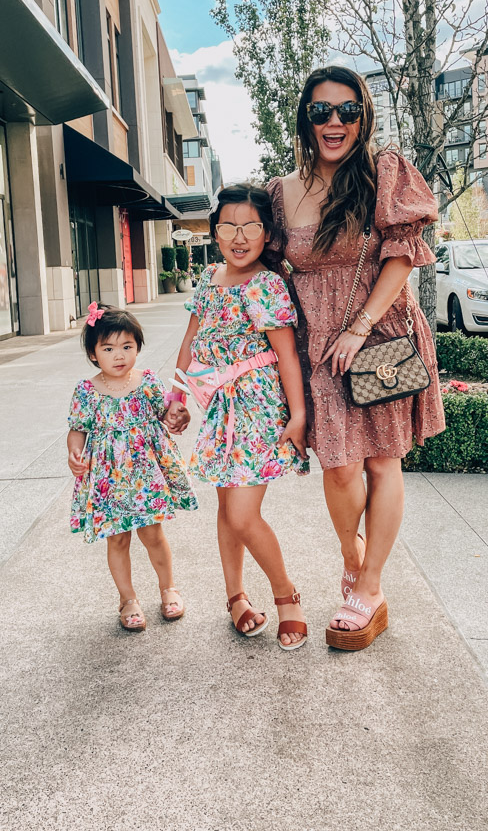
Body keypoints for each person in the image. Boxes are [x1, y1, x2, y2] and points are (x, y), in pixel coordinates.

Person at [266, 65, 445, 652]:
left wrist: (359, 327)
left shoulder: (381, 173)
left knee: (382, 462)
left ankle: (368, 588)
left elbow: (402, 255)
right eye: (321, 111)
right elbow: (258, 264)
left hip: (379, 331)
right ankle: (353, 559)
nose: (334, 122)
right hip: (316, 342)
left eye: (347, 110)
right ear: (305, 119)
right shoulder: (280, 190)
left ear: (363, 116)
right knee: (339, 466)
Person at [173, 183, 310, 650]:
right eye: (229, 225)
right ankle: (235, 597)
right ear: (215, 232)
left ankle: (286, 595)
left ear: (267, 234)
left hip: (256, 408)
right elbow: (190, 343)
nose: (239, 235)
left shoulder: (266, 283)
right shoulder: (209, 277)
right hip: (218, 408)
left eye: (251, 225)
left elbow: (286, 356)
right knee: (225, 509)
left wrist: (298, 416)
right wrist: (177, 397)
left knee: (242, 513)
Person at [67, 305, 197, 632]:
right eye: (108, 348)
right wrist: (75, 452)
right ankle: (127, 599)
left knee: (153, 533)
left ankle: (169, 589)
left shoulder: (147, 381)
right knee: (117, 539)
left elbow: (169, 409)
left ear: (138, 347)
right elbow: (77, 428)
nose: (119, 355)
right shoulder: (86, 391)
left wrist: (178, 414)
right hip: (108, 479)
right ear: (93, 354)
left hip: (145, 475)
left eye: (127, 346)